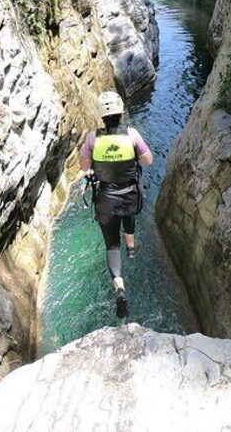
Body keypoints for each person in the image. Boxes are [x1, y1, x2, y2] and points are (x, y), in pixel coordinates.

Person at [79, 91, 154, 318]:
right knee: (129, 208)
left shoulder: (93, 138)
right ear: (121, 112)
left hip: (106, 200)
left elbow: (84, 167)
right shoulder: (131, 134)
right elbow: (148, 160)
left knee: (112, 245)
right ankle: (131, 247)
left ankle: (120, 288)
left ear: (101, 115)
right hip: (130, 196)